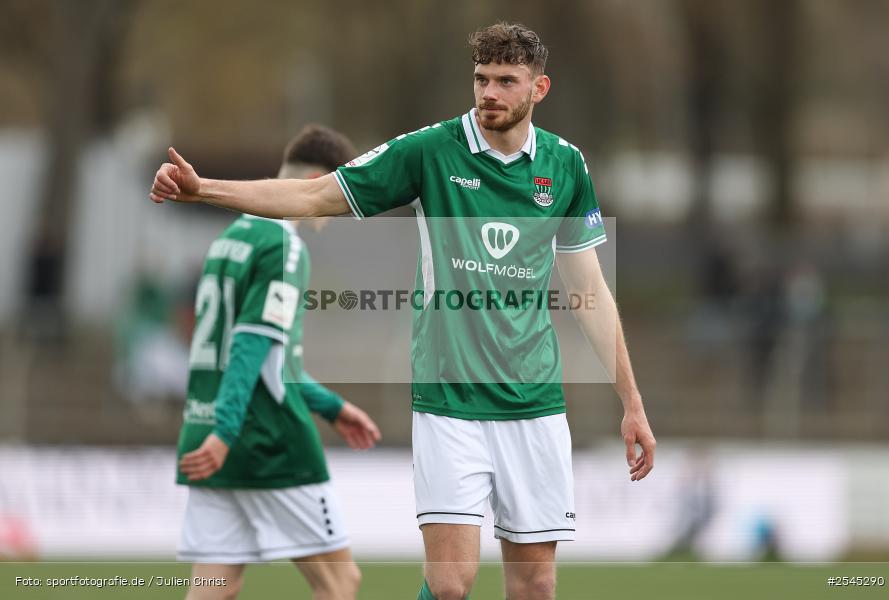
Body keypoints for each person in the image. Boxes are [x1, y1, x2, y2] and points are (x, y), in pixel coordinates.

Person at [151, 23, 655, 600]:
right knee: (449, 586)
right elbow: (315, 194)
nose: (489, 93)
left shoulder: (566, 165)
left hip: (534, 405)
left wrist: (631, 401)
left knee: (536, 586)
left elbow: (590, 289)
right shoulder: (430, 151)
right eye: (481, 79)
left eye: (505, 81)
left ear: (539, 88)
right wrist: (205, 190)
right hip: (449, 405)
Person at [174, 124, 381, 600]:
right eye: (337, 194)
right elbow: (252, 346)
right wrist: (228, 431)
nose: (338, 210)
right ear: (312, 182)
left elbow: (271, 358)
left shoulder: (231, 239)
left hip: (205, 431)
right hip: (265, 439)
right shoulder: (284, 246)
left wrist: (332, 407)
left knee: (215, 586)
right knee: (340, 582)